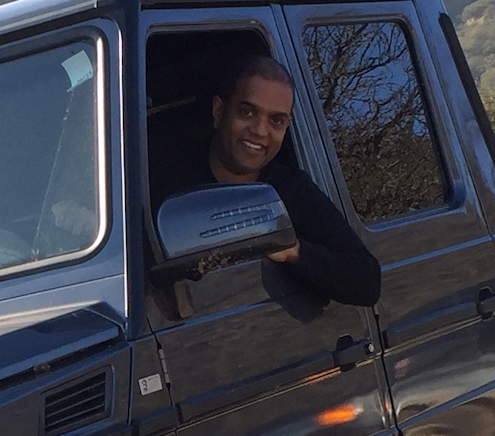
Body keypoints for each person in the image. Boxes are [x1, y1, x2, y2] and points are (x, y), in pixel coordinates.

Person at [153, 54, 382, 309]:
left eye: (276, 120)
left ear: (287, 127)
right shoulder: (163, 179)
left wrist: (294, 251)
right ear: (218, 111)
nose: (260, 131)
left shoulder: (290, 190)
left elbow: (367, 282)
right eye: (247, 111)